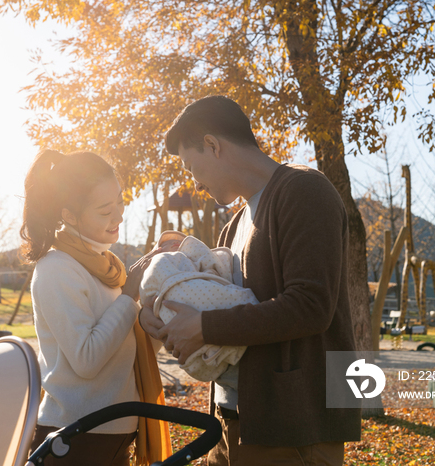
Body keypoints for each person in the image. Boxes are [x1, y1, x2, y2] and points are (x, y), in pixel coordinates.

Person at [139, 96, 361, 465]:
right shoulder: (233, 226)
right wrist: (161, 317)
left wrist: (204, 326)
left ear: (213, 144)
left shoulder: (304, 191)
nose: (196, 182)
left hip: (292, 428)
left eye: (193, 167)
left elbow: (310, 306)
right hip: (231, 422)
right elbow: (220, 306)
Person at [21, 149, 171, 466]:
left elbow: (122, 349)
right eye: (105, 211)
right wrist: (130, 295)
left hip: (113, 434)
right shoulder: (57, 269)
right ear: (70, 215)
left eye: (119, 200)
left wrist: (158, 313)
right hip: (76, 439)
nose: (118, 216)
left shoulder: (106, 266)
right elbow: (87, 359)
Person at [140, 230, 259, 382]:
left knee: (208, 297)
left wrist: (204, 325)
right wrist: (144, 312)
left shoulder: (192, 257)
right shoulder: (163, 261)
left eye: (179, 242)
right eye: (165, 244)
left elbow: (214, 270)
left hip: (257, 377)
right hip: (227, 390)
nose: (174, 244)